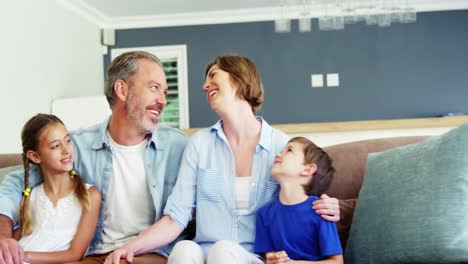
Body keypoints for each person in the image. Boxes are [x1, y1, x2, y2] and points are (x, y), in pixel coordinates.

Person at [104, 55, 340, 264]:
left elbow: (303, 194)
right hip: (204, 254)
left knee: (224, 251)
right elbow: (176, 217)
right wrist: (130, 246)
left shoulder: (281, 148)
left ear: (239, 79)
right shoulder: (200, 144)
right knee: (185, 248)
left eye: (213, 76)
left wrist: (327, 204)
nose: (205, 85)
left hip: (252, 257)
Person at [0, 51, 188, 264]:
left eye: (164, 91)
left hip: (150, 253)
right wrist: (3, 237)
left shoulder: (179, 147)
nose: (163, 100)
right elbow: (17, 182)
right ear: (122, 90)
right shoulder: (77, 146)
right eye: (154, 88)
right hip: (96, 253)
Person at [13, 114, 101, 264]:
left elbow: (74, 254)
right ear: (35, 156)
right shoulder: (31, 195)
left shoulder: (89, 195)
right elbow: (12, 244)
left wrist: (22, 256)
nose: (66, 150)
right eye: (55, 146)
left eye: (68, 141)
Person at [254, 136, 343, 264]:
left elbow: (337, 262)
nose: (278, 155)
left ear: (308, 169)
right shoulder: (264, 214)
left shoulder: (321, 209)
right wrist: (273, 259)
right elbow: (269, 257)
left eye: (289, 150)